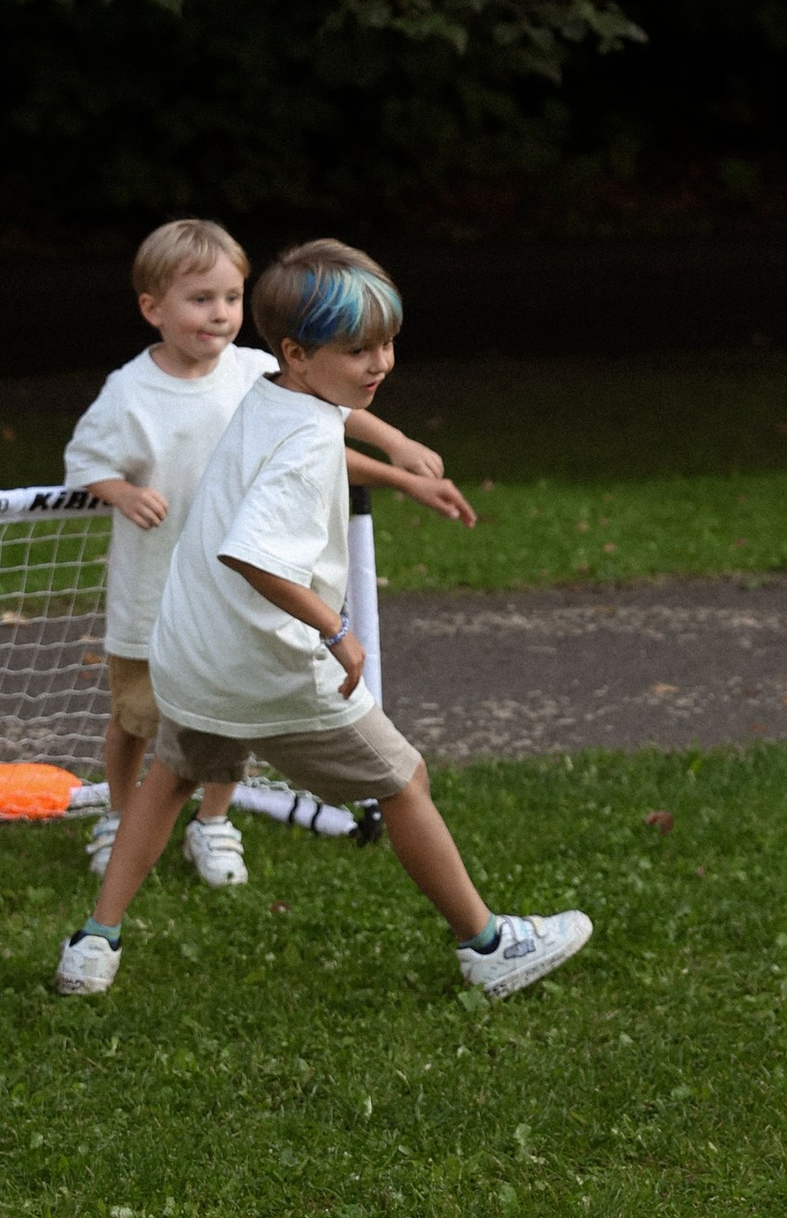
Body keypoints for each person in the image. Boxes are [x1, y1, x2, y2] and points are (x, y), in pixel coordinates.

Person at [55, 237, 591, 1006]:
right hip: (268, 662)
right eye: (358, 350)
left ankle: (94, 944)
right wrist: (335, 630)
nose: (380, 364)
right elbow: (256, 556)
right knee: (405, 780)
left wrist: (397, 447)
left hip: (194, 653)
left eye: (387, 343)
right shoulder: (308, 439)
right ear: (298, 352)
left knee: (169, 777)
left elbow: (331, 423)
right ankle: (489, 946)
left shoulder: (266, 387)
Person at [64, 218, 447, 888]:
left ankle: (214, 823)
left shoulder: (258, 373)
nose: (220, 314)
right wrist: (120, 491)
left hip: (236, 610)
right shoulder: (130, 391)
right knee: (137, 719)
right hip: (156, 595)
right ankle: (114, 815)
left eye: (232, 298)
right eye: (200, 299)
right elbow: (84, 462)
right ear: (153, 308)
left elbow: (332, 417)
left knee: (223, 728)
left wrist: (396, 450)